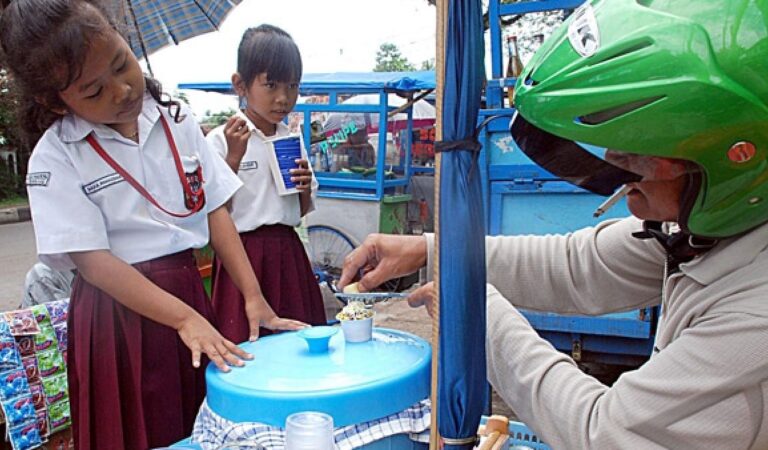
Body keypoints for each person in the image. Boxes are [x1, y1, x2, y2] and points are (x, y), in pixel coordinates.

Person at [339, 2, 768, 448]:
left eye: (632, 157)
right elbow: (578, 265)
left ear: (729, 161)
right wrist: (433, 250)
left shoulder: (755, 317)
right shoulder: (708, 230)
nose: (613, 168)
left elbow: (603, 433)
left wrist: (476, 310)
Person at [0, 1, 306, 448]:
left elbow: (214, 208)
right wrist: (184, 319)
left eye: (122, 65)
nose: (121, 90)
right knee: (135, 431)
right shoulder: (56, 155)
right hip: (116, 317)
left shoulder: (175, 118)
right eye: (93, 90)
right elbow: (94, 264)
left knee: (196, 424)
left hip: (186, 294)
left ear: (126, 40)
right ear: (54, 99)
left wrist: (253, 296)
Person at [206, 24, 326, 344]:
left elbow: (297, 213)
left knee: (300, 344)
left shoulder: (290, 138)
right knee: (246, 347)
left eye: (292, 86)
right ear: (240, 85)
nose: (283, 98)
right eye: (270, 85)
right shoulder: (220, 140)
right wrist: (233, 158)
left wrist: (302, 188)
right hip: (241, 258)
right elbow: (215, 215)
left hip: (288, 253)